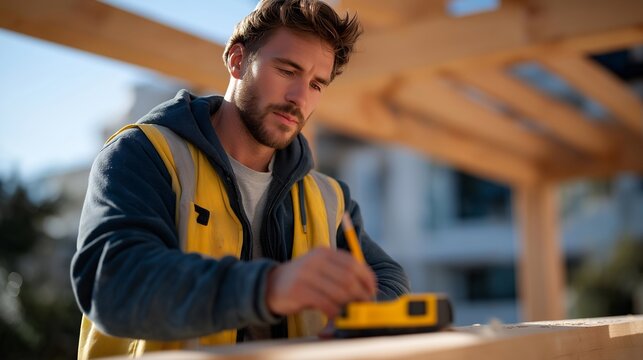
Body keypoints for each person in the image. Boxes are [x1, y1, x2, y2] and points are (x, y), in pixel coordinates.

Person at [71, 0, 409, 358]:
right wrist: (271, 287)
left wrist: (352, 315)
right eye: (286, 70)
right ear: (236, 60)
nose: (299, 99)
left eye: (316, 85)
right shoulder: (145, 154)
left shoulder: (328, 197)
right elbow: (113, 285)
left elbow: (390, 280)